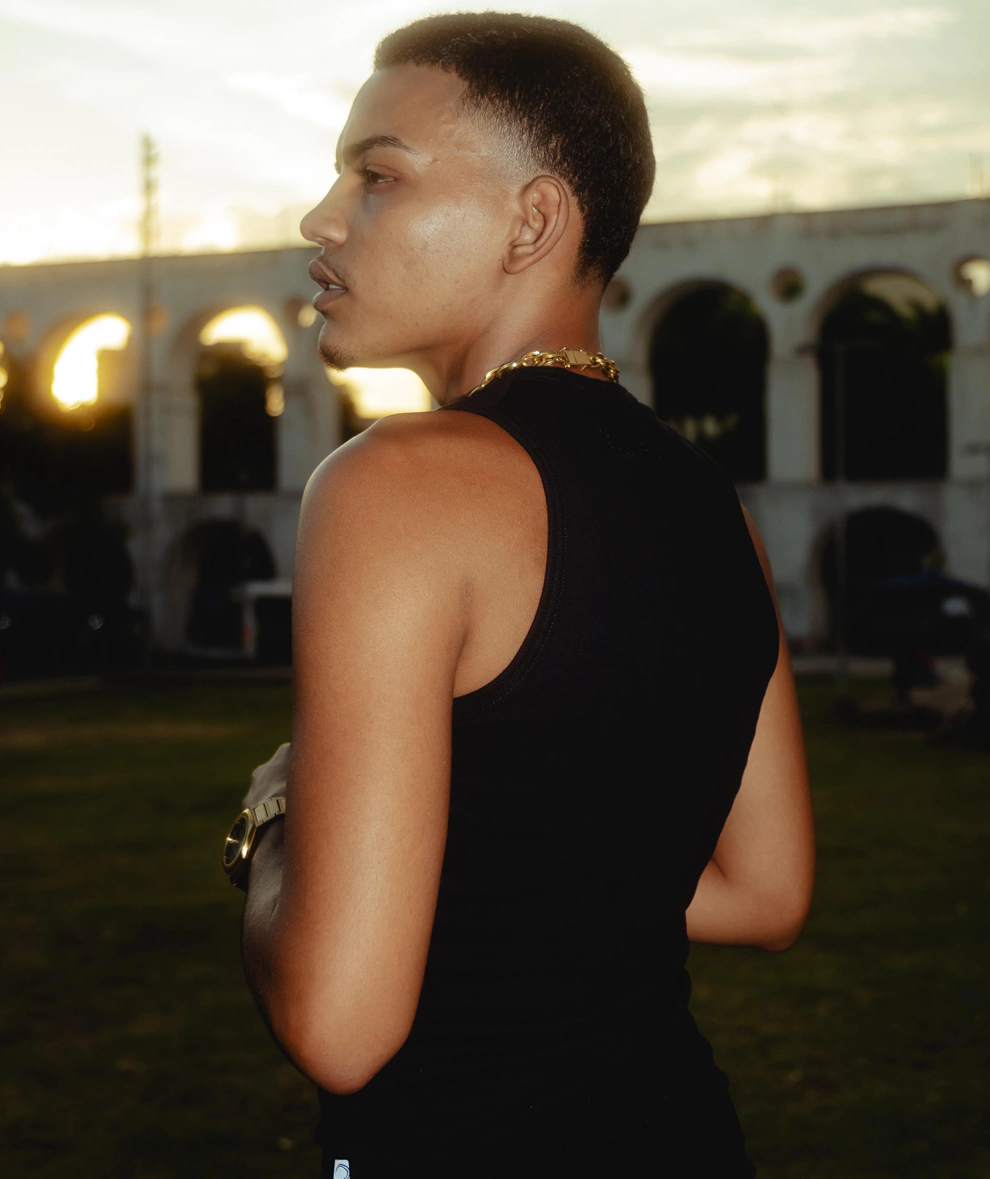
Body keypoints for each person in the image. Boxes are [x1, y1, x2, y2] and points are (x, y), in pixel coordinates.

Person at [225, 13, 816, 1177]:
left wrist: (274, 822)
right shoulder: (716, 509)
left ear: (535, 219)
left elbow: (339, 1027)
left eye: (377, 175)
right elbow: (765, 893)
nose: (321, 218)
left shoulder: (396, 483)